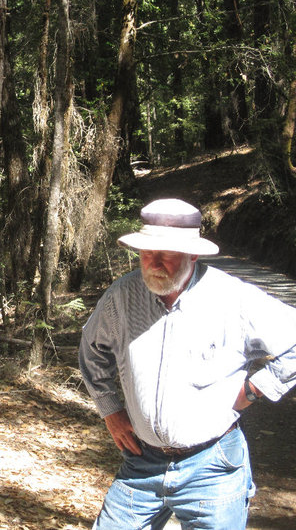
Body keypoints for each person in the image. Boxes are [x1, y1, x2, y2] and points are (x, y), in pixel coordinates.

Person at [78, 198, 296, 529]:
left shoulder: (232, 298)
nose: (153, 263)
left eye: (166, 253)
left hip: (213, 468)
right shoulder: (123, 296)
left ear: (193, 253)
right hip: (142, 464)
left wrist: (255, 389)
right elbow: (91, 348)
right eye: (146, 252)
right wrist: (110, 410)